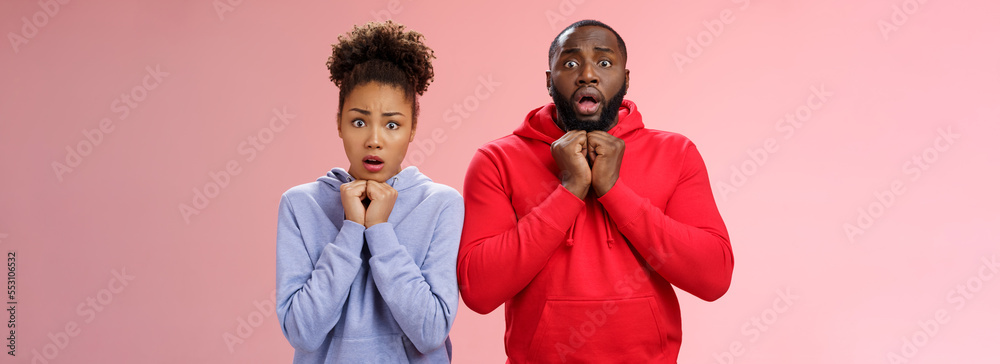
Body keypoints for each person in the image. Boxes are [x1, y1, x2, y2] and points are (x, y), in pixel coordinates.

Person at [458, 20, 734, 363]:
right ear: (548, 81)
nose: (587, 74)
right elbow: (479, 291)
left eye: (604, 63)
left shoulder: (675, 153)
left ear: (626, 79)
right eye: (570, 63)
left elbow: (714, 278)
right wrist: (570, 190)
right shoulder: (497, 159)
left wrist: (613, 190)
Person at [276, 21, 462, 363]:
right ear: (339, 122)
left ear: (413, 128)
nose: (374, 139)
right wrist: (351, 230)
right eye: (359, 121)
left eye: (392, 124)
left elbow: (431, 331)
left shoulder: (440, 204)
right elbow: (302, 333)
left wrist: (379, 231)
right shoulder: (301, 205)